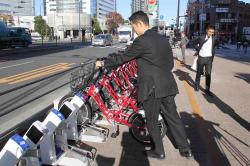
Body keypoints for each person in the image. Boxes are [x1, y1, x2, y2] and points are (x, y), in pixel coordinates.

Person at [96, 11, 192, 160]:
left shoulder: (142, 41)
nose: (134, 30)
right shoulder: (162, 39)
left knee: (152, 121)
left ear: (140, 24)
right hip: (167, 85)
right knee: (173, 117)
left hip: (152, 89)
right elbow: (170, 63)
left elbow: (123, 58)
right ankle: (185, 149)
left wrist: (103, 63)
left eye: (134, 26)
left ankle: (158, 151)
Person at [194, 25, 218, 97]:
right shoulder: (201, 37)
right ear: (207, 31)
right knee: (199, 73)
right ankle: (197, 85)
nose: (211, 33)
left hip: (209, 60)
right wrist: (198, 49)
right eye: (210, 31)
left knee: (208, 75)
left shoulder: (214, 39)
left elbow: (215, 46)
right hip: (201, 58)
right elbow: (193, 42)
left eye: (212, 32)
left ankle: (207, 90)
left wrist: (212, 52)